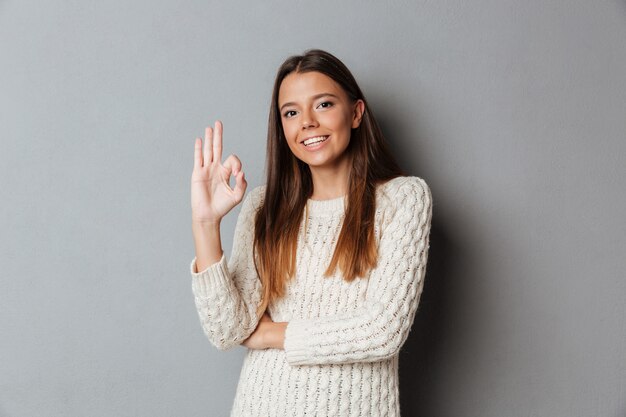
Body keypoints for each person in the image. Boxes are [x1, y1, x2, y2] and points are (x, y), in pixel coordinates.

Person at [189, 49, 433, 417]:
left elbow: (383, 330)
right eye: (291, 112)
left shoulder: (403, 198)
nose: (307, 122)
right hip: (261, 405)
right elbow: (228, 329)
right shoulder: (263, 208)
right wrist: (206, 224)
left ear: (355, 113)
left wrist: (272, 334)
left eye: (323, 105)